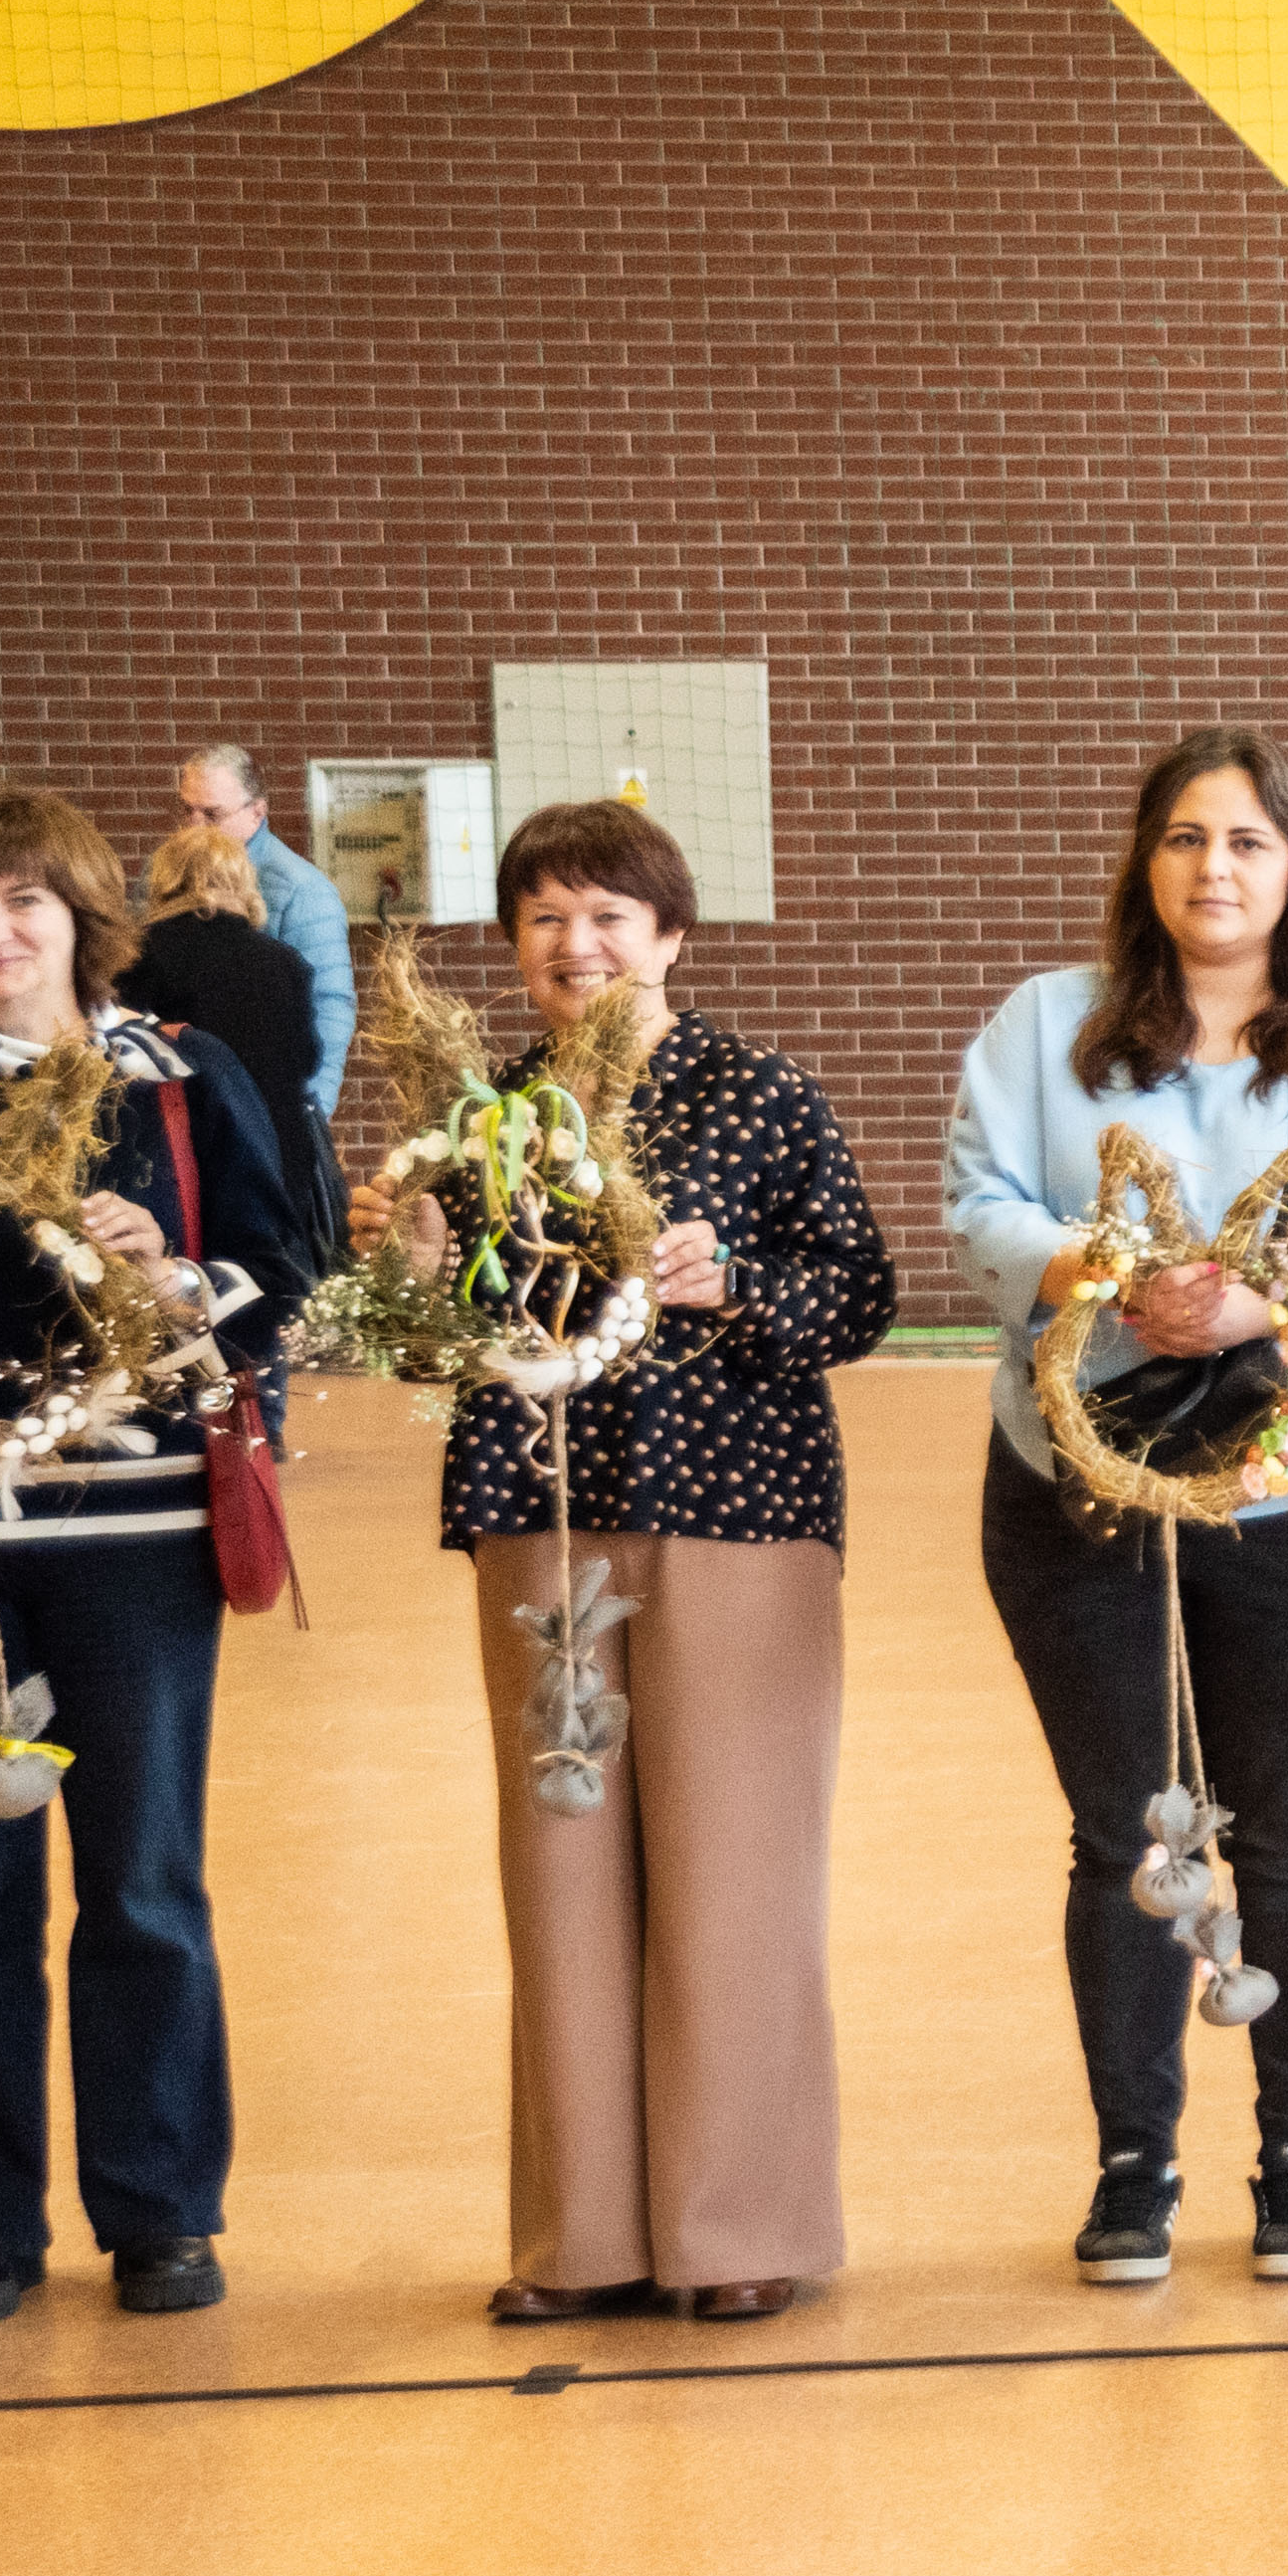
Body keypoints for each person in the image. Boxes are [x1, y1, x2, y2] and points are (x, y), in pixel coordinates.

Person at [948, 728, 1288, 2287]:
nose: (1215, 868)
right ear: (1145, 862)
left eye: (1246, 841)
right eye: (1184, 838)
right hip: (1076, 1492)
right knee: (1124, 1830)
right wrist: (1107, 1278)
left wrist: (1264, 1308)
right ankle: (1136, 2169)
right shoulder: (1044, 1028)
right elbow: (982, 1206)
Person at [401, 799, 902, 2325]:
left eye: (610, 916)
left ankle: (737, 2226)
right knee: (558, 1869)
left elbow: (860, 1291)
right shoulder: (484, 1115)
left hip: (735, 1508)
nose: (579, 945)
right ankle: (584, 2239)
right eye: (547, 918)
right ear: (515, 946)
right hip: (539, 1505)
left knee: (734, 1871)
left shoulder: (760, 1092)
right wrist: (409, 1272)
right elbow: (431, 1341)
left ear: (671, 937)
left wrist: (733, 1280)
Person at [0, 786, 314, 2329]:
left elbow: (287, 1263)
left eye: (22, 902)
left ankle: (161, 2207)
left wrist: (178, 1274)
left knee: (140, 1876)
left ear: (81, 918)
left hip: (135, 1524)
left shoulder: (181, 1076)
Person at [123, 827, 343, 1260]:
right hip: (279, 1156)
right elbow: (307, 1058)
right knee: (274, 1281)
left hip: (182, 1159)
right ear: (242, 880)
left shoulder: (135, 961)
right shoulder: (283, 961)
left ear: (165, 880)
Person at [172, 744, 348, 1124]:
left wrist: (309, 1114)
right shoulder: (165, 878)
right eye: (187, 810)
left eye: (212, 814)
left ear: (257, 811)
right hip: (187, 1103)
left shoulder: (302, 890)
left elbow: (329, 1008)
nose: (194, 828)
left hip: (270, 1109)